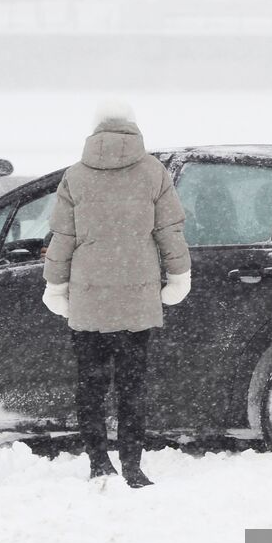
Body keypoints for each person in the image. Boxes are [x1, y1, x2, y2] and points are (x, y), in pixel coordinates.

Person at [42, 102, 191, 486]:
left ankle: (97, 462)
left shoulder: (75, 177)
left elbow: (63, 240)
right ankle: (133, 466)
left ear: (95, 130)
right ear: (133, 127)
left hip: (89, 299)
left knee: (90, 385)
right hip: (136, 299)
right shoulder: (154, 173)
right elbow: (169, 233)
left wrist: (55, 285)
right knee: (132, 387)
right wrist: (178, 276)